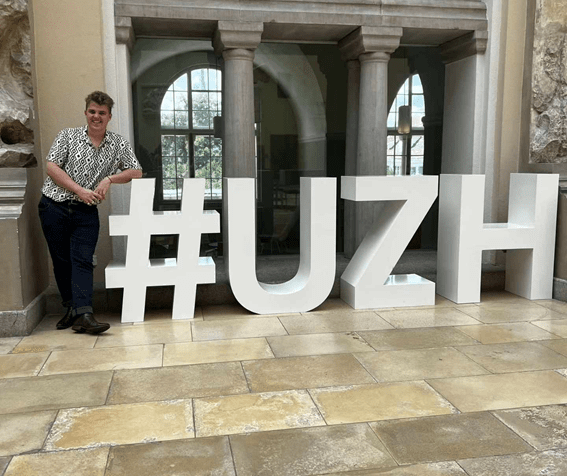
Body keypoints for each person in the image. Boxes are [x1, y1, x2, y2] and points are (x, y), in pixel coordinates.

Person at [38, 91, 143, 334]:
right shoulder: (68, 136)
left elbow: (136, 171)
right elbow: (52, 167)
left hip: (86, 213)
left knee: (83, 260)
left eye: (102, 113)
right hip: (54, 206)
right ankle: (71, 308)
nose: (96, 117)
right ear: (86, 113)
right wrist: (79, 190)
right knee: (62, 261)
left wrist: (109, 178)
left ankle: (85, 314)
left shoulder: (118, 143)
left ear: (109, 116)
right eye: (92, 112)